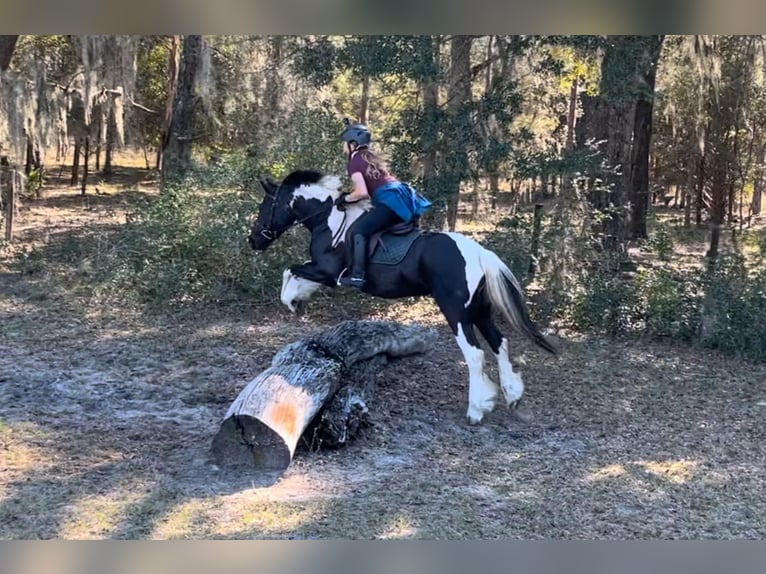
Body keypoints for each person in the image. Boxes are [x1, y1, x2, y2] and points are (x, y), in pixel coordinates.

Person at [335, 119, 432, 289]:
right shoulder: (370, 158)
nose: (344, 147)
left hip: (389, 201)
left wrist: (344, 199)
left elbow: (362, 192)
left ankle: (357, 276)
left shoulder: (355, 161)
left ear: (353, 143)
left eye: (345, 143)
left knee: (358, 231)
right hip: (400, 197)